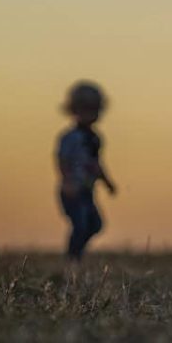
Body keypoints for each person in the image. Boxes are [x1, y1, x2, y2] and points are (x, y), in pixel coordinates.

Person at [56, 81, 116, 261]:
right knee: (80, 224)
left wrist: (107, 183)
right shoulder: (69, 138)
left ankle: (77, 254)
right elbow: (63, 160)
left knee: (95, 224)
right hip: (72, 190)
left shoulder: (95, 139)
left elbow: (96, 164)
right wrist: (67, 181)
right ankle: (72, 257)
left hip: (87, 190)